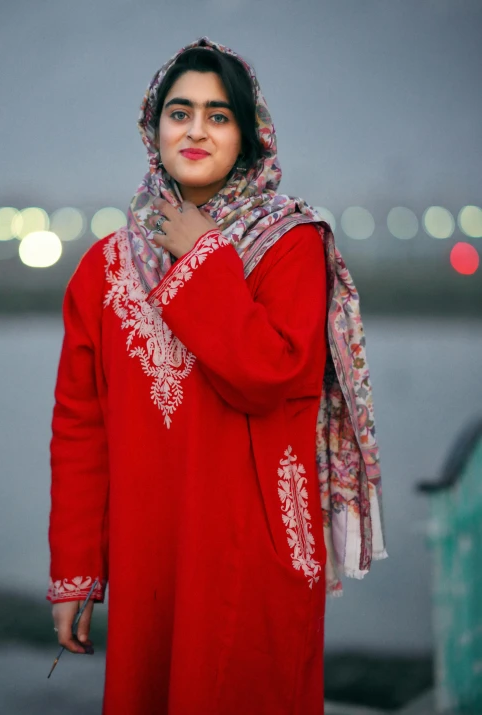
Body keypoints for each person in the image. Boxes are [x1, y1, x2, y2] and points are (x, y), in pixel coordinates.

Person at [47, 37, 387, 715]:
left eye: (218, 114)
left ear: (249, 137)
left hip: (250, 549)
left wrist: (202, 255)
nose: (196, 129)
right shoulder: (105, 267)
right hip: (152, 554)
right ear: (154, 127)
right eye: (180, 112)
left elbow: (271, 372)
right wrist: (75, 573)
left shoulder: (289, 243)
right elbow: (80, 429)